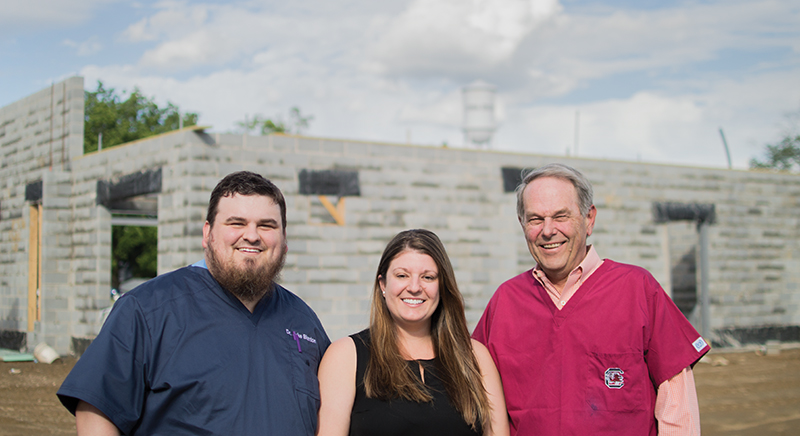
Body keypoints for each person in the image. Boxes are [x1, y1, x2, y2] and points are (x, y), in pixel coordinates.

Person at [58, 171, 330, 435]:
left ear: (284, 241)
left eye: (267, 225)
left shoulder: (304, 322)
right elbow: (97, 409)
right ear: (207, 234)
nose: (252, 235)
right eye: (236, 223)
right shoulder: (147, 309)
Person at [473, 163, 710, 436]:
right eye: (535, 219)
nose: (548, 230)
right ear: (522, 224)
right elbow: (478, 401)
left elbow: (677, 410)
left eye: (561, 216)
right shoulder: (505, 302)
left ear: (589, 219)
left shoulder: (638, 290)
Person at [317, 229, 509, 436]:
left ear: (442, 287)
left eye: (428, 277)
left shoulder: (475, 358)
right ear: (383, 284)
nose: (415, 287)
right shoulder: (345, 356)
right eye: (402, 275)